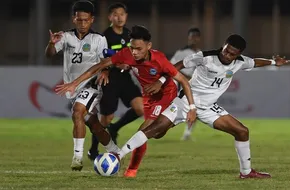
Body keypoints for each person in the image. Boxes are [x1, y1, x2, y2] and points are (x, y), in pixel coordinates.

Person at [111, 34, 290, 178]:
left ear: (238, 54)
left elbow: (255, 62)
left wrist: (274, 62)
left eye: (231, 54)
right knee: (155, 131)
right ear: (223, 46)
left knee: (242, 131)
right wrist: (161, 80)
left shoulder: (240, 62)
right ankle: (118, 155)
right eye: (226, 51)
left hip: (209, 107)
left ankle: (246, 172)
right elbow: (178, 65)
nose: (227, 55)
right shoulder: (205, 57)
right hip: (184, 102)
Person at [55, 25, 197, 177]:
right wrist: (74, 83)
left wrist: (192, 107)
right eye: (132, 47)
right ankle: (165, 126)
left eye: (139, 49)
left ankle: (129, 168)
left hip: (165, 95)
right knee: (156, 133)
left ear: (149, 46)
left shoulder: (159, 59)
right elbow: (101, 65)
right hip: (148, 97)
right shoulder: (127, 54)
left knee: (144, 132)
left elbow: (183, 81)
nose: (134, 52)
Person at [46, 0, 119, 171]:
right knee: (93, 125)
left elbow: (105, 61)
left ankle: (77, 158)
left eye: (86, 20)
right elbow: (49, 55)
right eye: (79, 20)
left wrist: (105, 71)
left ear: (92, 19)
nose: (83, 23)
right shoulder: (65, 37)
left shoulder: (98, 39)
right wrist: (51, 44)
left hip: (91, 85)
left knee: (77, 112)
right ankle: (115, 151)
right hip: (72, 89)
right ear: (74, 19)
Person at [87, 2, 145, 160]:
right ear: (110, 17)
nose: (119, 17)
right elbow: (101, 58)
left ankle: (116, 128)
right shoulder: (104, 37)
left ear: (126, 16)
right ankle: (93, 149)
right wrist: (109, 67)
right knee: (105, 119)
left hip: (125, 80)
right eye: (115, 14)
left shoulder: (129, 35)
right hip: (110, 81)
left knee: (141, 108)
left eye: (122, 14)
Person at [170, 27, 201, 141]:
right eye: (192, 36)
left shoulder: (199, 53)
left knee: (195, 109)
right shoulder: (181, 52)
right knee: (174, 110)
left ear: (199, 38)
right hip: (180, 85)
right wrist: (185, 77)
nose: (194, 39)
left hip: (193, 86)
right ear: (188, 38)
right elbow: (171, 68)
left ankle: (187, 134)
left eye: (196, 37)